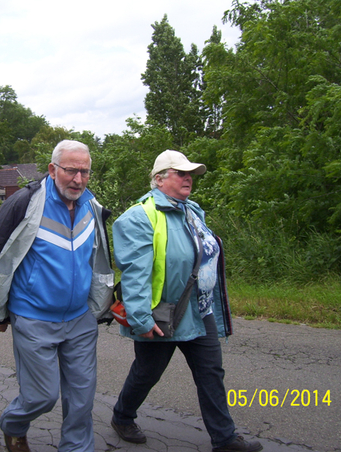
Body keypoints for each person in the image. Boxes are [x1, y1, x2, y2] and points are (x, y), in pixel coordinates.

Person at [0, 140, 114, 452]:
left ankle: (76, 447)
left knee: (82, 398)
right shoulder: (27, 203)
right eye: (71, 171)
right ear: (52, 169)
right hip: (34, 317)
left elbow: (99, 258)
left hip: (79, 319)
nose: (78, 179)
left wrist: (100, 304)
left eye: (84, 172)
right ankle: (14, 425)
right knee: (41, 396)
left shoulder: (91, 206)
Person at [110, 150, 263, 452]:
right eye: (180, 173)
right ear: (159, 179)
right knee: (147, 373)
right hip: (162, 314)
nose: (188, 178)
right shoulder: (139, 217)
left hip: (198, 308)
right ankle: (122, 416)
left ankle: (225, 438)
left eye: (190, 173)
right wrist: (141, 319)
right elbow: (135, 273)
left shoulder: (191, 210)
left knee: (211, 373)